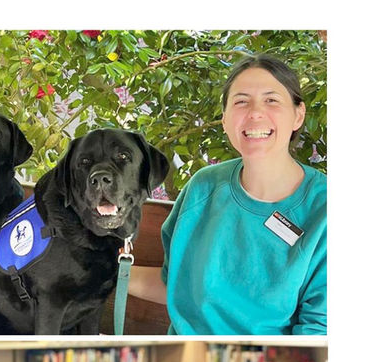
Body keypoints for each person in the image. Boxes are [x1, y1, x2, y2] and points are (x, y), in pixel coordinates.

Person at [130, 53, 326, 335]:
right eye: (241, 101)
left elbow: (319, 335)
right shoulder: (203, 187)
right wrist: (100, 272)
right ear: (224, 120)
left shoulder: (325, 209)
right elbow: (175, 285)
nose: (255, 112)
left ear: (298, 114)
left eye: (271, 100)